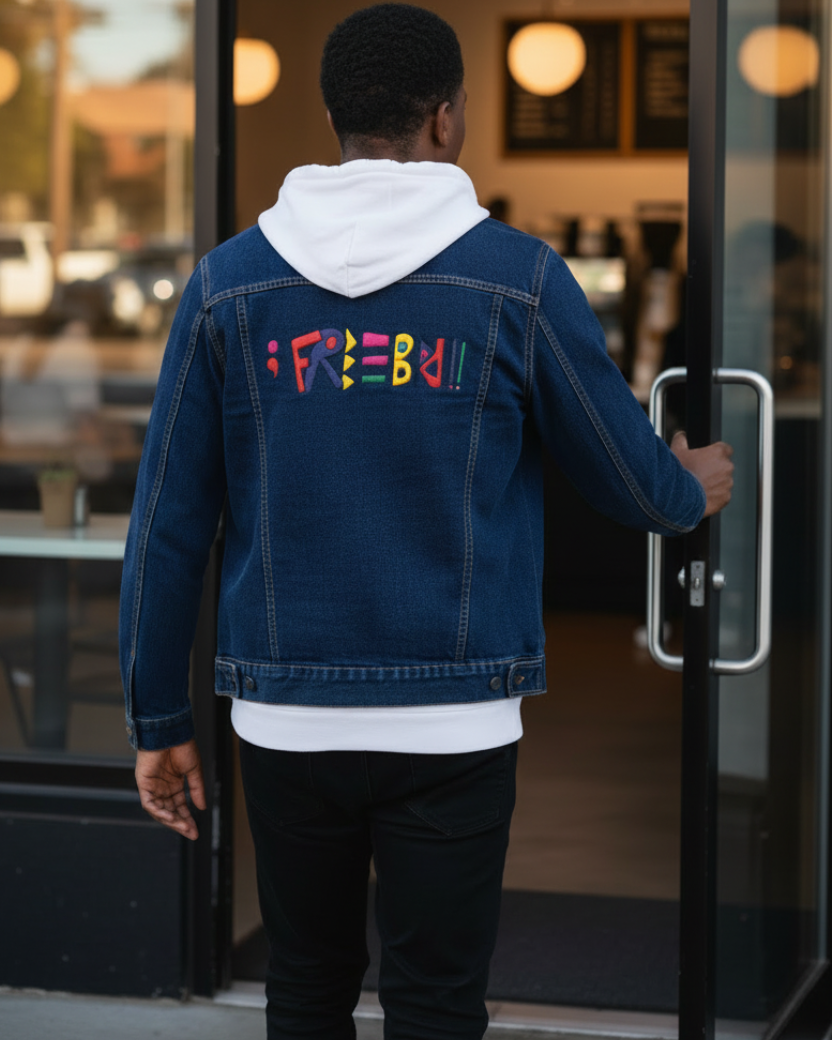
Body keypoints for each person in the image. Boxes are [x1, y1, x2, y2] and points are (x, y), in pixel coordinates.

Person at [120, 5, 733, 1038]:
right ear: (447, 120)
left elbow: (166, 526)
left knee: (305, 984)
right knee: (438, 1000)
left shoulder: (228, 285)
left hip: (285, 713)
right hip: (456, 720)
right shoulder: (518, 277)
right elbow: (633, 486)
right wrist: (694, 481)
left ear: (331, 115)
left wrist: (157, 722)